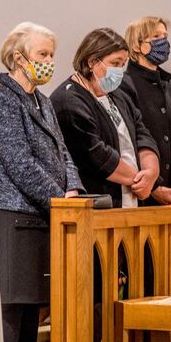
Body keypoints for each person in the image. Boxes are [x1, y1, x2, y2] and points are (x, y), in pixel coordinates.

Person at [0, 22, 84, 342]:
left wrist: (72, 187)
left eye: (51, 55)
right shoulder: (3, 101)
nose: (49, 62)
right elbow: (19, 163)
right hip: (15, 213)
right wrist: (59, 198)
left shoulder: (40, 100)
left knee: (32, 302)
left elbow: (62, 151)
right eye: (42, 55)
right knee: (15, 303)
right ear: (18, 57)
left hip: (43, 211)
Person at [50, 28, 160, 208]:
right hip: (99, 203)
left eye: (123, 64)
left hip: (132, 199)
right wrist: (139, 181)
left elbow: (142, 134)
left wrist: (151, 172)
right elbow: (94, 153)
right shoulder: (68, 101)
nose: (119, 71)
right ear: (92, 61)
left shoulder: (119, 95)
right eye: (115, 63)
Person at [122, 16, 171, 205]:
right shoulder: (124, 84)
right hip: (143, 192)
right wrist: (155, 187)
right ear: (136, 45)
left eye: (165, 36)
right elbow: (130, 140)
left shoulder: (169, 87)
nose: (164, 41)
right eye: (156, 36)